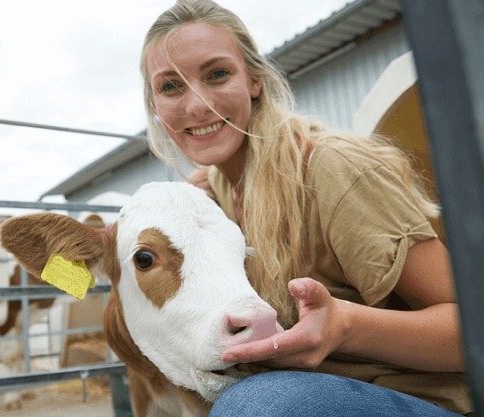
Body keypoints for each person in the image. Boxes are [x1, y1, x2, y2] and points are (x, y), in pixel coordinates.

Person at [139, 1, 473, 416]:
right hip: (307, 395)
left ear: (255, 80)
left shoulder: (332, 169)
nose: (195, 105)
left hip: (421, 402)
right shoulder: (210, 197)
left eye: (217, 74)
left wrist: (346, 327)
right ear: (154, 104)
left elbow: (471, 329)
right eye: (170, 86)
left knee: (258, 404)